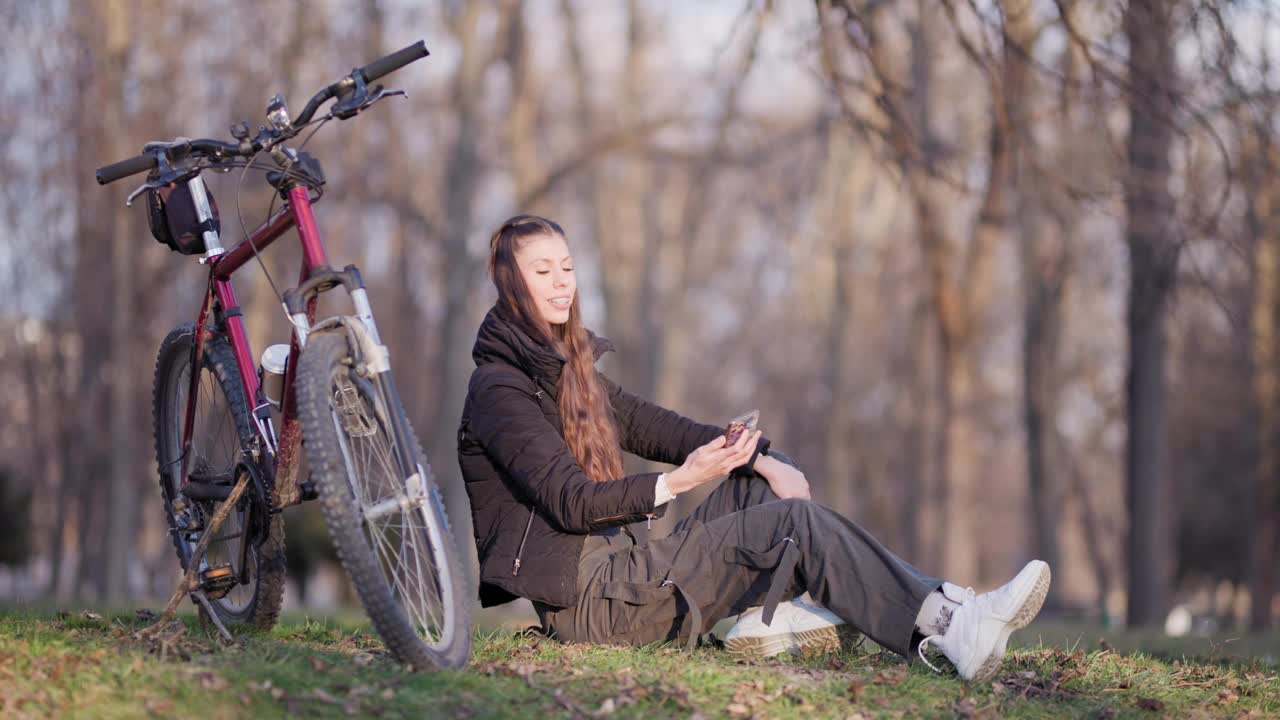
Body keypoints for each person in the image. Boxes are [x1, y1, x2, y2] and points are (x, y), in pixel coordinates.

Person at [456, 214, 1051, 681]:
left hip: (625, 578)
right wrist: (681, 481)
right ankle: (949, 627)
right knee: (795, 524)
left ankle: (757, 623)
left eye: (566, 267)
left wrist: (755, 453)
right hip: (594, 606)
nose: (561, 283)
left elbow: (652, 425)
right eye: (542, 272)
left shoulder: (567, 370)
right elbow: (571, 502)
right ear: (512, 284)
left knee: (768, 479)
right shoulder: (500, 390)